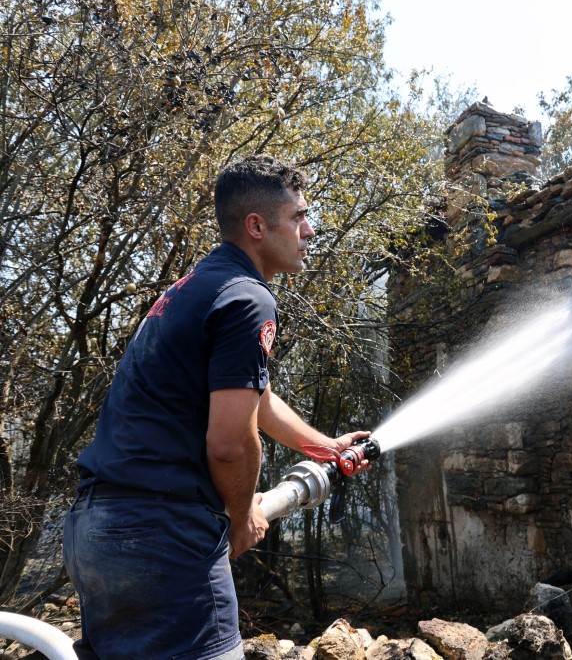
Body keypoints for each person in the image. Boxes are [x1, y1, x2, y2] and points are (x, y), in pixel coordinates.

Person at [63, 155, 370, 660]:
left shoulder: (193, 288)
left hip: (97, 529)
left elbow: (255, 398)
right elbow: (229, 444)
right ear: (256, 226)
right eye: (298, 217)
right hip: (163, 534)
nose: (310, 231)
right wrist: (240, 513)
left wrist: (325, 446)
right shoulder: (249, 298)